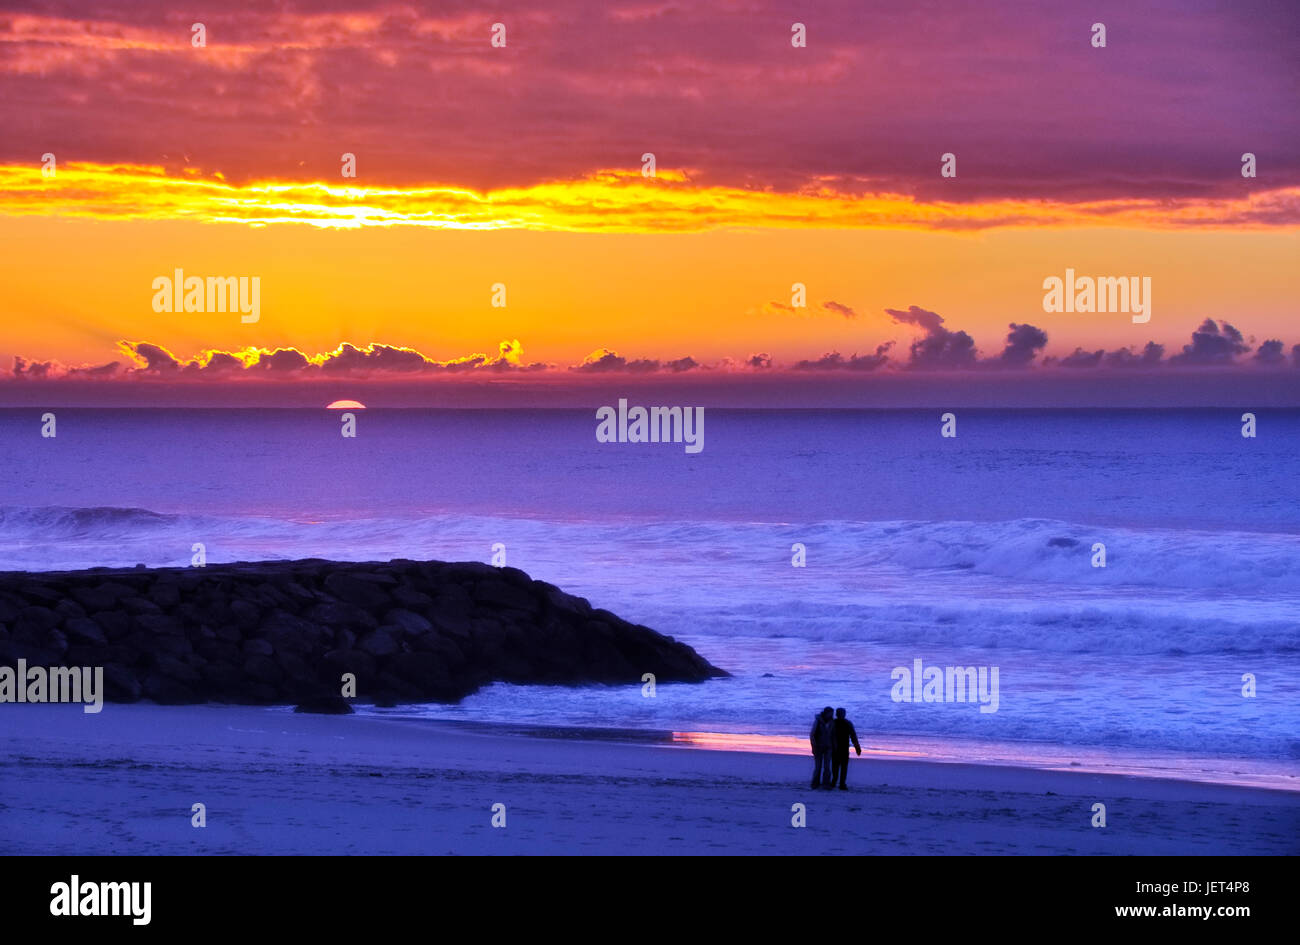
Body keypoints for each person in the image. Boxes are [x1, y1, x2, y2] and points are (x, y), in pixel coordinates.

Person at [830, 707, 862, 790]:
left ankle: (840, 783)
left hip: (842, 748)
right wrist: (857, 747)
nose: (841, 715)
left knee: (839, 766)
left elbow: (853, 736)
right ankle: (838, 782)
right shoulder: (835, 723)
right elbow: (853, 736)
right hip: (836, 748)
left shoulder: (844, 723)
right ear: (837, 714)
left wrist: (857, 747)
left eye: (842, 713)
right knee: (837, 766)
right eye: (841, 713)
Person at [809, 706, 834, 788]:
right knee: (818, 766)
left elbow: (834, 735)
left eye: (832, 714)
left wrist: (834, 746)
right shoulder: (818, 721)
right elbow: (812, 734)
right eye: (830, 713)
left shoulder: (832, 722)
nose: (831, 715)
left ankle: (826, 784)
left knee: (827, 767)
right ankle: (815, 784)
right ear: (826, 713)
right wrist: (813, 747)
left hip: (828, 747)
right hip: (818, 747)